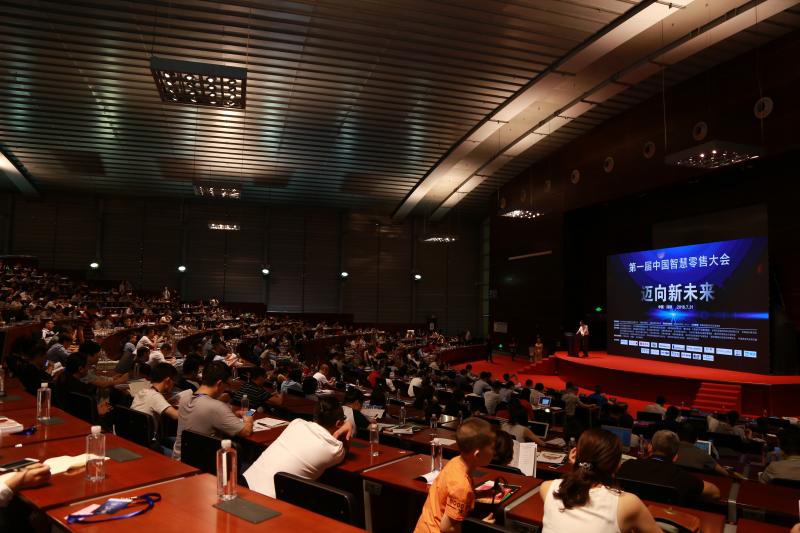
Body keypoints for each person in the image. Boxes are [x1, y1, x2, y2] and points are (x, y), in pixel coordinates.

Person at [539, 428, 660, 533]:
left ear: (575, 454)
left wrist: (576, 466)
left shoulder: (546, 488)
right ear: (617, 465)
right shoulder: (628, 503)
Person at [243, 396, 353, 498]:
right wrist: (348, 425)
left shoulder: (296, 423)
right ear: (339, 423)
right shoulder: (334, 448)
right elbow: (346, 446)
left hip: (244, 483)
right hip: (268, 501)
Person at [414, 418, 496, 533]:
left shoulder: (456, 462)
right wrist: (480, 527)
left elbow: (453, 495)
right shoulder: (461, 485)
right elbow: (447, 528)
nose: (494, 452)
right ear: (477, 454)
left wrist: (482, 494)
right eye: (492, 447)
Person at [172, 361, 253, 460]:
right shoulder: (217, 407)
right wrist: (248, 417)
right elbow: (246, 432)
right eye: (227, 384)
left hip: (179, 458)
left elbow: (204, 412)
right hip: (203, 464)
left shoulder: (184, 399)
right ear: (219, 383)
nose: (226, 388)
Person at [617, 430, 720, 503]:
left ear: (650, 448)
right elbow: (715, 493)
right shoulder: (682, 477)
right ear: (675, 457)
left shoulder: (628, 465)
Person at [130, 362, 180, 429]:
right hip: (146, 434)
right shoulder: (155, 396)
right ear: (167, 380)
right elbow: (176, 416)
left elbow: (152, 402)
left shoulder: (143, 390)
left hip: (133, 430)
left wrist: (167, 402)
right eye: (174, 381)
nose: (174, 384)